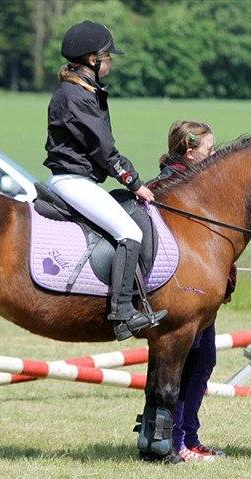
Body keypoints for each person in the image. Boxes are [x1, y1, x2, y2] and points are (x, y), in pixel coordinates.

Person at [43, 20, 166, 341]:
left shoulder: (82, 92)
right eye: (108, 56)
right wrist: (136, 184)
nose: (110, 61)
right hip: (73, 181)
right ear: (92, 59)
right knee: (129, 231)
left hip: (77, 180)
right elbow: (105, 151)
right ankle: (122, 311)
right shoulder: (77, 97)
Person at [149, 121, 237, 462]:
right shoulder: (171, 188)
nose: (214, 156)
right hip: (181, 293)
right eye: (209, 150)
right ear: (189, 152)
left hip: (200, 293)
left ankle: (189, 436)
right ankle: (179, 440)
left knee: (203, 360)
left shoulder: (198, 187)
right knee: (189, 363)